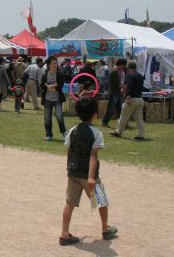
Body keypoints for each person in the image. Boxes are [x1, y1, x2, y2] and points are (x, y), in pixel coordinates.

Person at [59, 97, 117, 246]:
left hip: (73, 173)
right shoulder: (96, 133)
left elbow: (69, 151)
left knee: (69, 203)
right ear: (95, 115)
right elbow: (93, 155)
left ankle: (64, 234)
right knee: (101, 202)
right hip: (88, 175)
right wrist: (91, 177)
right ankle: (105, 229)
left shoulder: (72, 131)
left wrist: (69, 168)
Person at [110, 61, 146, 141]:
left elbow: (129, 86)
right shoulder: (140, 76)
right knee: (139, 119)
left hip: (131, 99)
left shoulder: (129, 75)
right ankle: (141, 135)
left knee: (123, 116)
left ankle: (118, 132)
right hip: (140, 99)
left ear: (128, 67)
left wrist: (128, 96)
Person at [41, 56, 67, 141]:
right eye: (53, 63)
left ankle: (64, 133)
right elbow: (42, 85)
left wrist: (49, 86)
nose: (55, 65)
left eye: (56, 63)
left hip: (57, 99)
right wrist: (53, 85)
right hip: (47, 99)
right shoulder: (45, 74)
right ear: (49, 65)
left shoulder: (59, 74)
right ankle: (49, 135)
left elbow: (60, 85)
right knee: (47, 118)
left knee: (59, 116)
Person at [102, 59, 126, 127]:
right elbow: (117, 83)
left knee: (120, 108)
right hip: (114, 92)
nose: (124, 66)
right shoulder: (115, 71)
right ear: (120, 64)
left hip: (118, 92)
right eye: (123, 65)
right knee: (111, 109)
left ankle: (122, 123)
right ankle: (105, 122)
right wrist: (124, 87)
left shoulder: (120, 71)